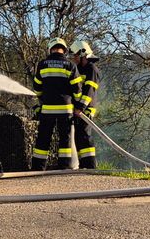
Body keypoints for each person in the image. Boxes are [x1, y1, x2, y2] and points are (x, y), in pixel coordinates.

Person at [32, 37, 82, 170]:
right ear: (64, 50)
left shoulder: (43, 64)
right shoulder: (70, 65)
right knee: (64, 140)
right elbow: (77, 89)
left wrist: (41, 98)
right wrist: (77, 105)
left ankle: (38, 168)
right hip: (65, 110)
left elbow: (37, 87)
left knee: (43, 138)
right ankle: (64, 168)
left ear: (50, 48)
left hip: (47, 109)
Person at [70, 39, 101, 170]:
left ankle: (91, 167)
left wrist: (80, 108)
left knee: (85, 136)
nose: (74, 58)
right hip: (78, 109)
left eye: (75, 55)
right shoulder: (79, 68)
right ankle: (84, 166)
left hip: (86, 109)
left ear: (83, 53)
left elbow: (89, 92)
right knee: (79, 137)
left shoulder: (91, 69)